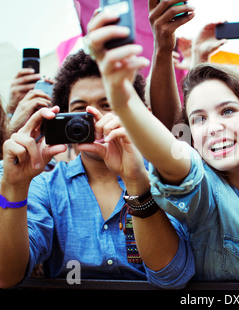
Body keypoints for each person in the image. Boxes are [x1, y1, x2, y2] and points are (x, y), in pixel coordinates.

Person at [84, 6, 239, 283]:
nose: (214, 128)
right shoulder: (205, 191)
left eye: (228, 111)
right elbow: (175, 159)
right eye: (198, 119)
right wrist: (123, 99)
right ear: (189, 134)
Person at [0, 49, 194, 289]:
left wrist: (135, 182)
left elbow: (172, 276)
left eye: (107, 104)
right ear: (62, 118)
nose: (94, 117)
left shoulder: (165, 177)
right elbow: (7, 276)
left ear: (136, 113)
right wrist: (14, 186)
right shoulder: (47, 186)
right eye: (80, 107)